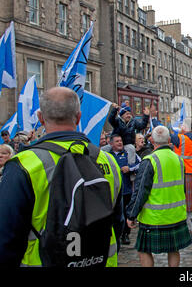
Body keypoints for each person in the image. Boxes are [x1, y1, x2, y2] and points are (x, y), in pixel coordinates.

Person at [0, 87, 123, 267]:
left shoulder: (24, 164)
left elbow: (7, 235)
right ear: (78, 117)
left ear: (41, 118)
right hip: (100, 260)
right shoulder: (109, 161)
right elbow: (117, 220)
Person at [126, 126, 191, 267]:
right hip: (176, 214)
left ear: (152, 141)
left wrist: (131, 214)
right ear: (169, 140)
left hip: (154, 217)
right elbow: (183, 187)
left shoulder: (149, 160)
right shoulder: (179, 159)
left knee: (143, 250)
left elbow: (140, 191)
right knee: (174, 249)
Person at [108, 134, 139, 246]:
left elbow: (139, 164)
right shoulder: (107, 155)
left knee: (126, 213)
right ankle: (115, 234)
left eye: (121, 141)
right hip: (112, 191)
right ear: (111, 144)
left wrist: (130, 169)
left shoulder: (128, 154)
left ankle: (125, 234)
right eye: (117, 141)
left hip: (126, 189)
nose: (120, 143)